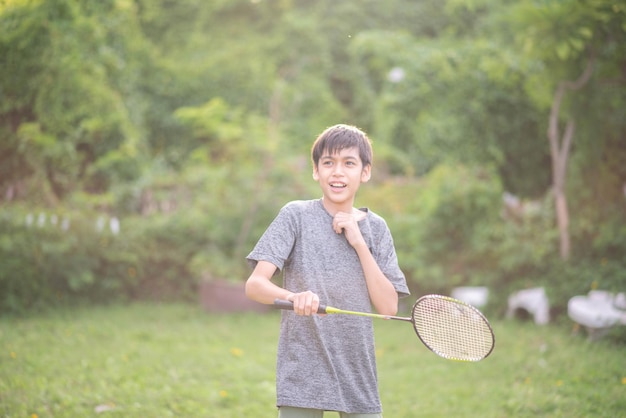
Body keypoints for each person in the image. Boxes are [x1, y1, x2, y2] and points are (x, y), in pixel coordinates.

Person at [245, 124, 410, 418]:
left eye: (349, 163)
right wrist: (294, 296)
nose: (337, 172)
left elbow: (388, 306)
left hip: (358, 375)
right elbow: (255, 285)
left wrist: (359, 243)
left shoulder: (377, 229)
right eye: (328, 163)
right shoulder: (295, 216)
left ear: (365, 172)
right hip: (302, 375)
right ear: (316, 171)